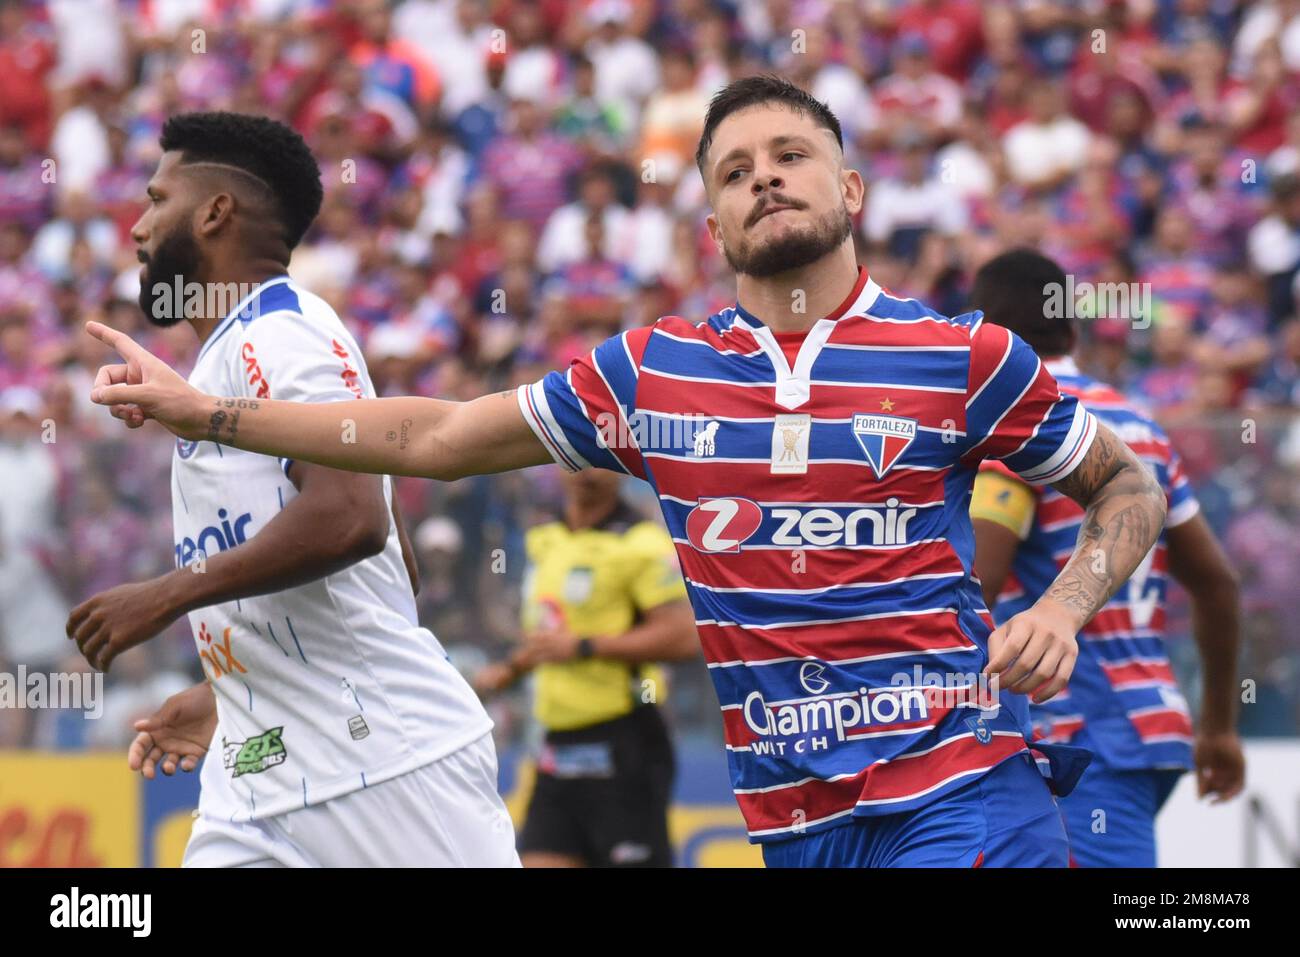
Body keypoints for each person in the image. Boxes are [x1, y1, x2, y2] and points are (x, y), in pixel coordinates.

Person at [86, 77, 1169, 868]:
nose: (765, 181)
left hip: (961, 790)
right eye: (735, 172)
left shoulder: (961, 358)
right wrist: (204, 410)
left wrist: (1068, 606)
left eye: (789, 157)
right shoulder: (655, 371)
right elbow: (435, 440)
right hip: (792, 819)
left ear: (848, 185)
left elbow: (1126, 489)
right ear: (710, 224)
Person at [70, 111, 518, 868]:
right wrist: (233, 691)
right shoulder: (223, 360)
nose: (139, 227)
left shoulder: (287, 334)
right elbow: (394, 569)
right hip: (254, 778)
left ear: (215, 212)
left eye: (155, 199)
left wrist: (169, 593)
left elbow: (351, 519)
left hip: (388, 766)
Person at [966, 248, 1246, 867]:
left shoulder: (1014, 424)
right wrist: (1221, 727)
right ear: (1070, 328)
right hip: (1153, 725)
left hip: (1081, 735)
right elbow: (1219, 585)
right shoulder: (1138, 425)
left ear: (983, 337)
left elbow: (978, 581)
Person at [476, 468, 698, 867]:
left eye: (597, 458)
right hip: (556, 745)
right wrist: (509, 671)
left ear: (619, 467)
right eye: (573, 458)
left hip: (626, 740)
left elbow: (683, 637)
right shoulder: (546, 540)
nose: (585, 471)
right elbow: (551, 635)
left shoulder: (642, 543)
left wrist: (584, 647)